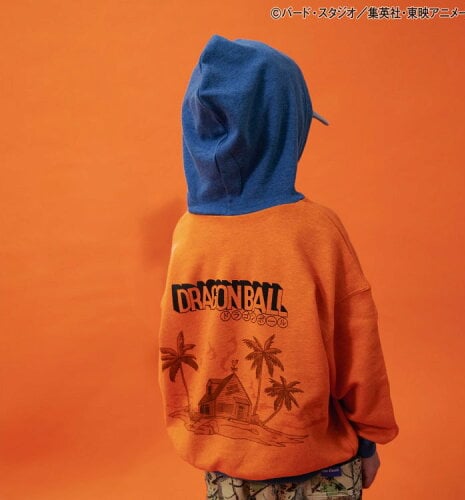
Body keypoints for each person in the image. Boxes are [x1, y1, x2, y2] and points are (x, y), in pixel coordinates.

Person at [158, 34, 399, 499]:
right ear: (284, 129)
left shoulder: (187, 233)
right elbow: (357, 347)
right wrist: (369, 438)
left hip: (224, 472)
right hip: (321, 468)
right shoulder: (316, 230)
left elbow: (175, 345)